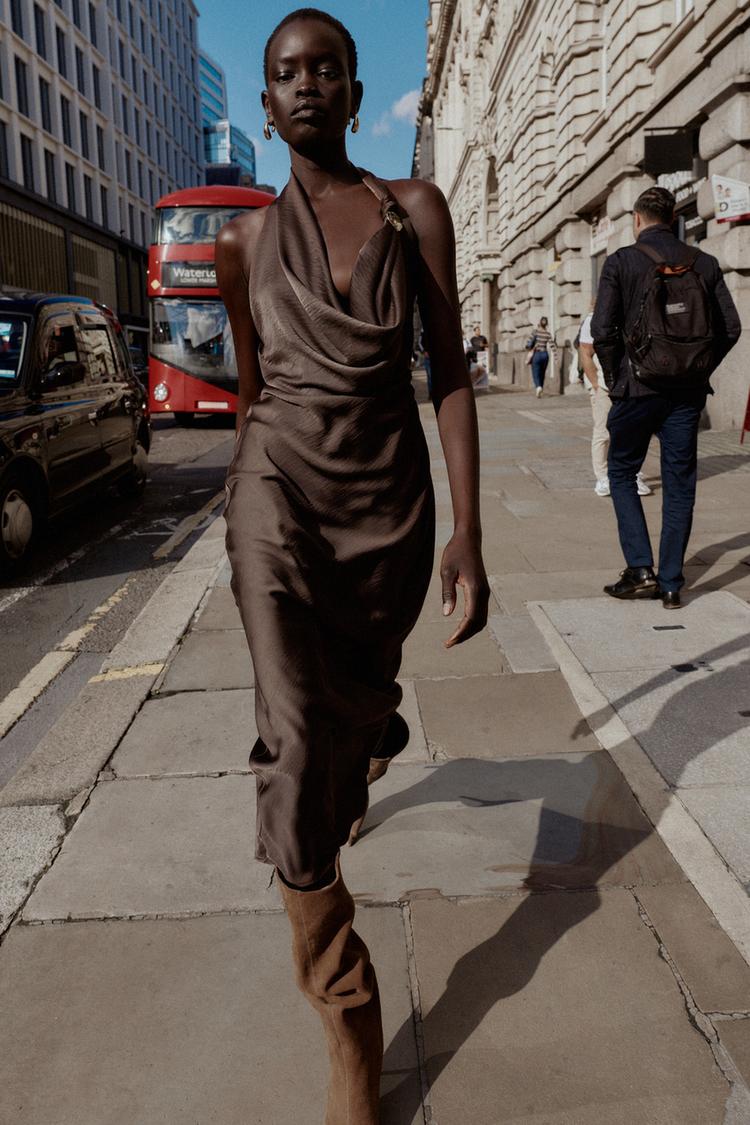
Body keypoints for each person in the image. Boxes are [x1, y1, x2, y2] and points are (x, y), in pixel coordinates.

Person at [215, 9, 489, 1122]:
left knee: (351, 700)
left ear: (353, 84)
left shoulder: (411, 208)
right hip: (275, 492)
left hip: (386, 505)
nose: (308, 84)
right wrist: (246, 499)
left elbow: (450, 372)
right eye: (286, 72)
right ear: (268, 100)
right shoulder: (240, 246)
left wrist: (470, 530)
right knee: (290, 741)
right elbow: (252, 388)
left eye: (327, 67)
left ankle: (372, 729)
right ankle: (348, 1020)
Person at [591, 185, 740, 608]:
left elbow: (603, 330)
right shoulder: (704, 263)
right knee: (679, 485)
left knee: (621, 472)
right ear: (673, 219)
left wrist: (617, 377)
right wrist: (697, 367)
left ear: (637, 220)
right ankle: (673, 583)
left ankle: (640, 569)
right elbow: (730, 328)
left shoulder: (621, 262)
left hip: (636, 389)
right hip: (686, 395)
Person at [579, 304, 652, 499]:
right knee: (603, 431)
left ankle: (632, 473)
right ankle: (602, 477)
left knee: (634, 431)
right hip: (604, 384)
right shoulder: (594, 319)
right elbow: (585, 352)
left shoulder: (635, 312)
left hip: (633, 383)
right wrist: (595, 384)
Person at [527, 315, 554, 397]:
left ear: (539, 323)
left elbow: (529, 342)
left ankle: (538, 387)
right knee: (542, 373)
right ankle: (541, 388)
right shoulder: (548, 334)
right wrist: (556, 357)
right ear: (547, 324)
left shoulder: (535, 332)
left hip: (537, 354)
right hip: (545, 354)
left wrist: (528, 347)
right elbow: (552, 345)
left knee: (536, 372)